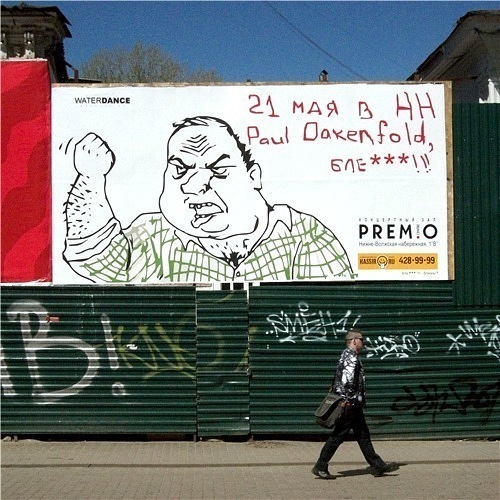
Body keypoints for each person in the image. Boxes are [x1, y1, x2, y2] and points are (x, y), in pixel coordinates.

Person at [64, 116, 355, 283]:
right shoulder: (154, 237)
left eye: (217, 169)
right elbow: (96, 257)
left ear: (253, 176)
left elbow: (329, 316)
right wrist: (91, 178)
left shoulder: (302, 236)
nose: (194, 185)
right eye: (180, 169)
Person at [312, 329, 398, 479]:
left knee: (363, 435)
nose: (363, 343)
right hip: (349, 404)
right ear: (354, 341)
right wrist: (348, 400)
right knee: (338, 436)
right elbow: (348, 381)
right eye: (361, 340)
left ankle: (377, 465)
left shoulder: (346, 355)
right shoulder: (351, 357)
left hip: (353, 404)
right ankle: (320, 465)